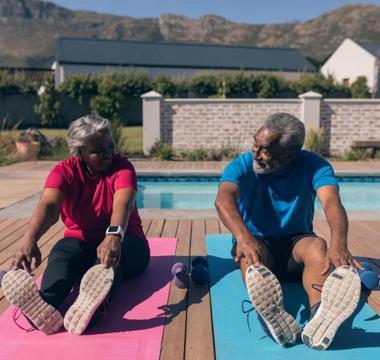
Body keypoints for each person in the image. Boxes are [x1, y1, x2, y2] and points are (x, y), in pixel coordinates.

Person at [215, 112, 363, 350]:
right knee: (251, 258)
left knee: (318, 247)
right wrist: (243, 238)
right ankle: (271, 317)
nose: (255, 153)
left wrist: (339, 244)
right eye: (255, 144)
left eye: (264, 150)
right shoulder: (243, 164)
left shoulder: (314, 165)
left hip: (295, 243)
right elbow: (224, 199)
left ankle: (319, 314)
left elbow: (332, 202)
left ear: (290, 154)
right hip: (256, 239)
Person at [1, 115, 150, 335]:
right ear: (78, 152)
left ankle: (93, 308)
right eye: (98, 151)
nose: (108, 153)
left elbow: (123, 203)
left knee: (107, 264)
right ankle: (44, 306)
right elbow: (49, 204)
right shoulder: (65, 171)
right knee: (61, 256)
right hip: (79, 241)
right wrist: (29, 239)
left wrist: (114, 236)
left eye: (110, 146)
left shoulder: (122, 167)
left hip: (128, 242)